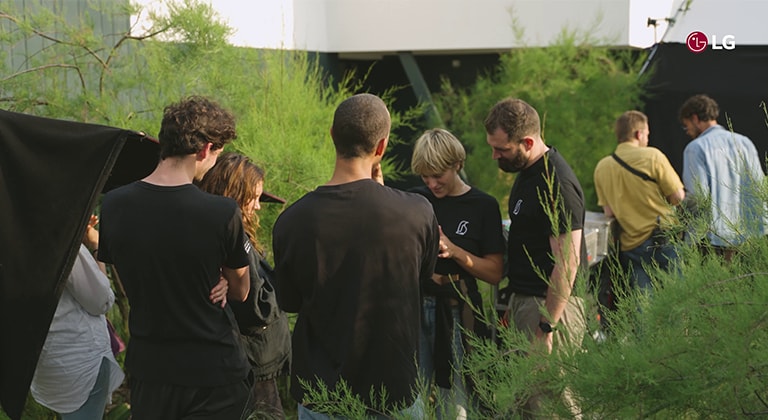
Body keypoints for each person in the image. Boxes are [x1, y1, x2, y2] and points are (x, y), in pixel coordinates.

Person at [272, 93, 440, 419]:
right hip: (394, 391)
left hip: (321, 393)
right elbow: (422, 278)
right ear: (382, 147)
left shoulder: (292, 220)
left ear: (332, 135)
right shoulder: (418, 212)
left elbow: (289, 302)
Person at [98, 96, 252, 419]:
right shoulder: (222, 212)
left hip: (151, 372)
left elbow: (129, 280)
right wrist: (222, 278)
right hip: (214, 371)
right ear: (204, 150)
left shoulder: (113, 204)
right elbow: (241, 291)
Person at [484, 97, 587, 417]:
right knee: (527, 404)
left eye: (501, 149)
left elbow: (567, 262)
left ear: (527, 142)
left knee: (552, 403)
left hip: (550, 307)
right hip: (525, 303)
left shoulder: (555, 180)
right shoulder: (528, 171)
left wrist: (547, 328)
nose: (495, 156)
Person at [410, 128, 505, 419]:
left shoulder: (483, 206)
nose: (431, 183)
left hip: (456, 311)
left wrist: (454, 251)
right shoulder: (415, 200)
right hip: (415, 306)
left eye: (438, 175)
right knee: (414, 391)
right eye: (425, 176)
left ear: (457, 165)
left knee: (457, 397)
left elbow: (494, 273)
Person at [197, 152, 291, 419]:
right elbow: (253, 305)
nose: (258, 206)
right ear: (236, 193)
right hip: (253, 360)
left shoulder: (225, 230)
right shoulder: (233, 237)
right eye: (255, 197)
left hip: (254, 357)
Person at [31, 215, 125, 418]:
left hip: (43, 361)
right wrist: (95, 246)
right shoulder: (57, 236)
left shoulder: (12, 235)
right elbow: (101, 301)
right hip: (79, 363)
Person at [593, 110, 685, 292]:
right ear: (638, 134)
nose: (647, 139)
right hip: (663, 238)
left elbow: (609, 213)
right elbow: (678, 197)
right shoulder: (652, 156)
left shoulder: (602, 167)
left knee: (644, 304)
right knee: (679, 297)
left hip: (631, 245)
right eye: (647, 135)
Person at [679, 94, 767, 260]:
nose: (688, 132)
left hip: (712, 240)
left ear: (695, 118)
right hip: (748, 238)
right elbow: (759, 188)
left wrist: (678, 208)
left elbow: (699, 197)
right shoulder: (744, 142)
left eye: (686, 126)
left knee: (711, 285)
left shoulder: (695, 148)